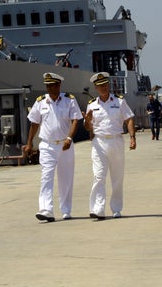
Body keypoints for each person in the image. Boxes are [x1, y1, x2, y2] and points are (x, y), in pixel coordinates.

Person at [25, 72, 83, 222]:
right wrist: (29, 142)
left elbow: (76, 120)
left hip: (65, 144)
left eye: (52, 85)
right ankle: (46, 210)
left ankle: (66, 210)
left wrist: (70, 138)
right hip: (47, 145)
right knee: (46, 177)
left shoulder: (69, 100)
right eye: (47, 86)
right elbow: (34, 123)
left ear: (58, 85)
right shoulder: (41, 102)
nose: (50, 88)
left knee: (66, 178)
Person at [83, 72, 136, 220]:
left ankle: (116, 208)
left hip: (116, 141)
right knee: (99, 176)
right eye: (100, 86)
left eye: (105, 85)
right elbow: (88, 127)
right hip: (99, 142)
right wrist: (87, 121)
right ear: (96, 87)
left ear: (108, 85)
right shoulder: (92, 104)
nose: (103, 88)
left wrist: (132, 137)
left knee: (117, 177)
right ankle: (98, 209)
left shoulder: (119, 101)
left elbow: (129, 119)